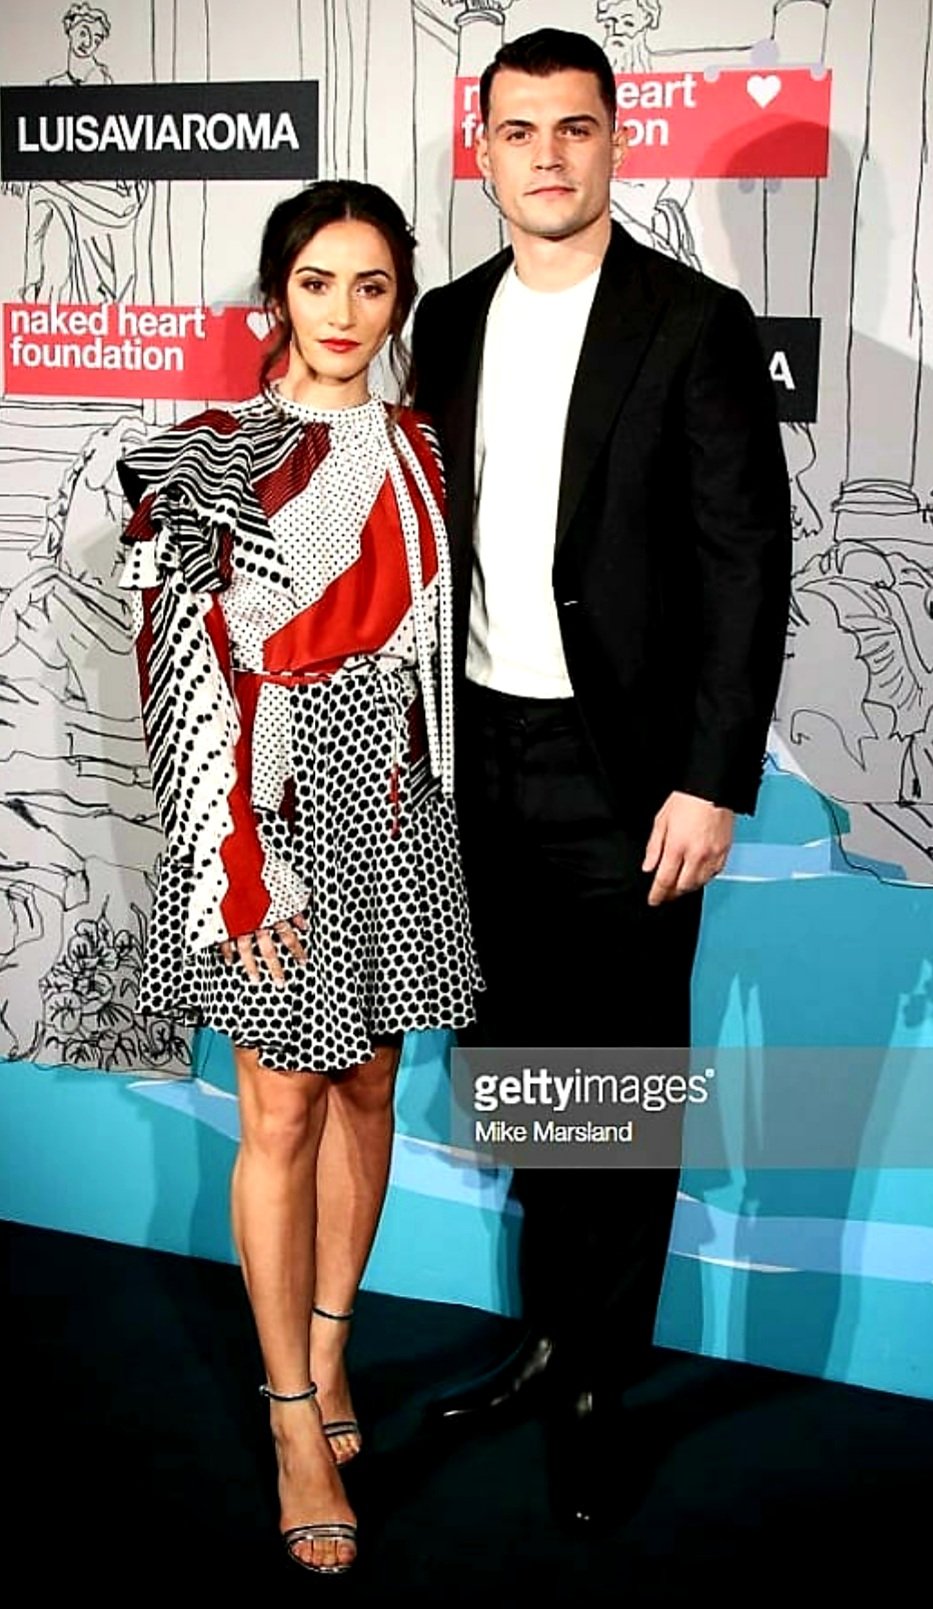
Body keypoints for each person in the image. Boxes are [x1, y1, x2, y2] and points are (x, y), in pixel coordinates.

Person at [411, 28, 792, 1530]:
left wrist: (711, 781)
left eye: (575, 126)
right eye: (520, 131)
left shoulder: (693, 321)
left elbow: (746, 563)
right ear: (485, 152)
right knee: (518, 1070)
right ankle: (550, 1336)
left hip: (626, 775)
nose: (549, 155)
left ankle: (595, 1384)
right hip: (474, 762)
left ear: (619, 138)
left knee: (618, 1089)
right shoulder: (446, 319)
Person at [117, 180, 481, 1575]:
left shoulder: (421, 447)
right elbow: (180, 674)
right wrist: (236, 864)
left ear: (398, 302)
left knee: (370, 1085)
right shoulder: (204, 456)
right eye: (317, 283)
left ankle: (331, 1353)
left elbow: (435, 640)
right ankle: (288, 1421)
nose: (342, 312)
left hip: (393, 789)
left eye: (371, 285)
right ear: (277, 296)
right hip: (262, 804)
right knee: (280, 1108)